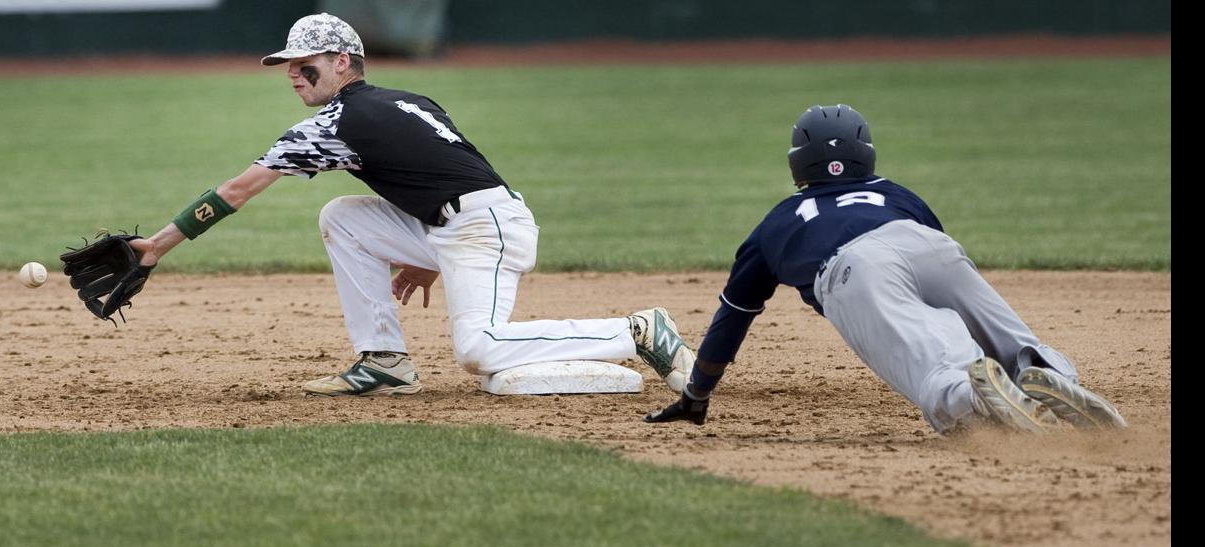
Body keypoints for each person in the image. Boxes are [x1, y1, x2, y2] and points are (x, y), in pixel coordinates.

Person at [126, 13, 695, 396]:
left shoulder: (334, 124)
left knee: (478, 351)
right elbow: (441, 173)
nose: (294, 75)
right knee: (343, 217)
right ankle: (384, 361)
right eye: (289, 68)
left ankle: (637, 331)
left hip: (484, 230)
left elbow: (237, 190)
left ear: (343, 61)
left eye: (306, 64)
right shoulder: (408, 100)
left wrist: (155, 247)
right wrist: (427, 256)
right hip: (468, 221)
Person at [645, 104, 1126, 434]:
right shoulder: (897, 194)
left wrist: (697, 394)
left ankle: (969, 396)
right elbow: (936, 264)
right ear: (866, 154)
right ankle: (1047, 373)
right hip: (928, 244)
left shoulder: (778, 222)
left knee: (933, 361)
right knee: (1009, 337)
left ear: (798, 164)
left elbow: (733, 316)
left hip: (855, 267)